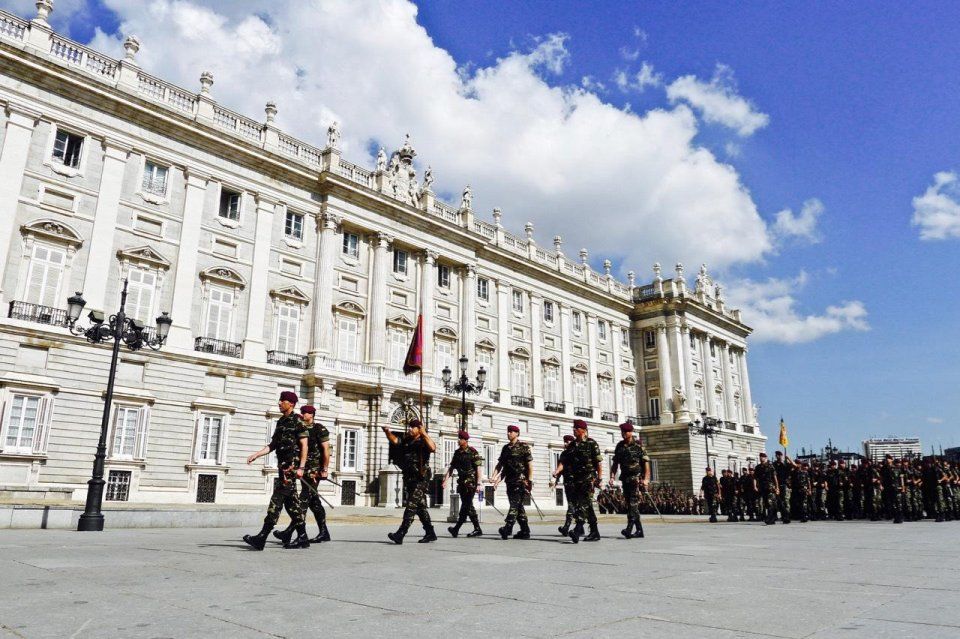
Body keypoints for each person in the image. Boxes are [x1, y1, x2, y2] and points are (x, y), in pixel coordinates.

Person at [243, 391, 310, 550]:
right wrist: (257, 454)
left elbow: (304, 446)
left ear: (291, 404)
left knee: (276, 500)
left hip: (290, 469)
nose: (279, 403)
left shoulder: (298, 422)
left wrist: (301, 467)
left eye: (283, 401)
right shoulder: (281, 422)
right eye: (280, 401)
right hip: (283, 467)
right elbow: (273, 445)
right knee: (292, 504)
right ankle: (302, 537)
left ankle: (262, 537)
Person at [273, 405, 331, 545]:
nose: (303, 414)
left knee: (303, 500)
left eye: (306, 412)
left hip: (314, 471)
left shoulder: (319, 428)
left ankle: (290, 532)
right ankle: (324, 532)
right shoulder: (299, 427)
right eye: (302, 412)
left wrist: (324, 468)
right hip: (302, 468)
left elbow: (326, 450)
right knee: (314, 502)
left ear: (312, 414)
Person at [382, 418, 438, 544]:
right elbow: (395, 441)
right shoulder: (407, 440)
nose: (409, 429)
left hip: (421, 478)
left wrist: (424, 433)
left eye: (412, 427)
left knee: (411, 505)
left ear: (419, 429)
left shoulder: (424, 440)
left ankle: (400, 533)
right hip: (409, 477)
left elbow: (433, 448)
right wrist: (387, 432)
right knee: (420, 507)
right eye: (409, 427)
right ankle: (430, 533)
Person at [553, 420, 602, 542]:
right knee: (587, 506)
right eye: (573, 428)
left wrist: (599, 478)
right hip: (575, 481)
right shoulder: (572, 445)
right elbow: (564, 462)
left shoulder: (591, 443)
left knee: (583, 505)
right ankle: (594, 531)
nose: (573, 430)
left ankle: (577, 529)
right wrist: (557, 471)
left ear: (583, 430)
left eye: (576, 428)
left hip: (588, 479)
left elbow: (598, 463)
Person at [608, 422, 650, 538]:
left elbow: (646, 464)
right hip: (625, 479)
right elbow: (615, 463)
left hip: (636, 479)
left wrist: (646, 479)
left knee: (632, 503)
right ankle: (640, 530)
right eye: (622, 432)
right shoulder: (619, 446)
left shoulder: (639, 446)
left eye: (626, 432)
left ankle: (629, 528)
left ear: (631, 432)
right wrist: (612, 477)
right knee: (631, 504)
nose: (623, 434)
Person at [492, 425, 533, 540]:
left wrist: (529, 481)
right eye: (508, 431)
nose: (508, 433)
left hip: (521, 482)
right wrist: (495, 478)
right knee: (518, 507)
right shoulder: (505, 448)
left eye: (511, 431)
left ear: (517, 433)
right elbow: (502, 466)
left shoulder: (523, 447)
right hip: (509, 482)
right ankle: (525, 531)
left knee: (514, 505)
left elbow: (529, 465)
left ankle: (507, 528)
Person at [442, 430, 483, 538]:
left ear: (465, 440)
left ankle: (456, 528)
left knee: (465, 506)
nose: (458, 440)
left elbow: (478, 468)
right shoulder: (457, 453)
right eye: (458, 438)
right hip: (462, 484)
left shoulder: (473, 452)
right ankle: (477, 529)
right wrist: (445, 480)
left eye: (460, 439)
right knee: (469, 506)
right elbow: (451, 468)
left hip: (471, 485)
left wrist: (479, 484)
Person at [553, 434, 576, 536]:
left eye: (568, 441)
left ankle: (567, 527)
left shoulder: (577, 452)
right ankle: (578, 527)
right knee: (573, 505)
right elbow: (561, 466)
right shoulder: (564, 454)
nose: (565, 443)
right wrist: (556, 478)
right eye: (565, 441)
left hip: (577, 483)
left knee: (574, 505)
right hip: (568, 482)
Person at [753, 452, 779, 525]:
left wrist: (777, 487)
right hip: (762, 487)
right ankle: (772, 518)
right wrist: (755, 486)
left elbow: (775, 477)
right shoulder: (758, 467)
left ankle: (769, 518)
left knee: (770, 503)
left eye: (763, 457)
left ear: (765, 458)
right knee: (766, 504)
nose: (761, 458)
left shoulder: (770, 466)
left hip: (770, 487)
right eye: (760, 457)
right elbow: (755, 477)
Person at [880, 453, 904, 524]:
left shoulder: (896, 467)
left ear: (891, 459)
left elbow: (901, 478)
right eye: (886, 458)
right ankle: (896, 516)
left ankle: (900, 517)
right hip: (888, 487)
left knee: (898, 503)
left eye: (889, 458)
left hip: (896, 487)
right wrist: (881, 485)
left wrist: (902, 487)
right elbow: (881, 477)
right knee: (891, 503)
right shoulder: (884, 468)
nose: (887, 460)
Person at [772, 451, 792, 524]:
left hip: (783, 485)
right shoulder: (773, 465)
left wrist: (789, 458)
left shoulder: (785, 464)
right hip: (775, 485)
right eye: (777, 455)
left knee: (783, 502)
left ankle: (785, 517)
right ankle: (774, 517)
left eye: (780, 455)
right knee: (774, 502)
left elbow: (795, 466)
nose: (779, 456)